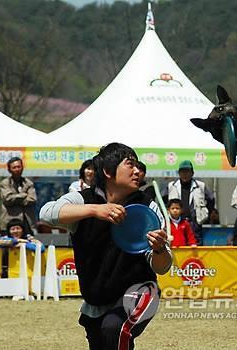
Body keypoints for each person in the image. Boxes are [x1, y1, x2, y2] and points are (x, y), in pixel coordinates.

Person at [39, 142, 172, 350]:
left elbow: (162, 267)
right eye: (130, 165)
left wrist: (159, 249)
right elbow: (46, 213)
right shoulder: (84, 199)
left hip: (140, 291)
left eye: (138, 166)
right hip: (96, 300)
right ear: (108, 171)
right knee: (103, 339)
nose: (138, 171)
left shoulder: (147, 207)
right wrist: (95, 210)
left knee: (114, 329)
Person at [166, 160, 215, 245]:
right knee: (177, 246)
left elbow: (211, 199)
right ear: (179, 173)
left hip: (194, 223)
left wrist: (206, 213)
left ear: (192, 173)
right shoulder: (171, 186)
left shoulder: (200, 185)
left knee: (195, 247)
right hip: (176, 222)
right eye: (182, 172)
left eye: (187, 171)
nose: (185, 174)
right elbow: (162, 199)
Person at [0, 157, 37, 234]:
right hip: (10, 221)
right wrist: (23, 195)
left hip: (27, 221)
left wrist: (15, 198)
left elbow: (32, 199)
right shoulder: (5, 183)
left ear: (22, 168)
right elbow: (8, 199)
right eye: (14, 167)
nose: (17, 169)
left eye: (19, 167)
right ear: (9, 170)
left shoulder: (28, 183)